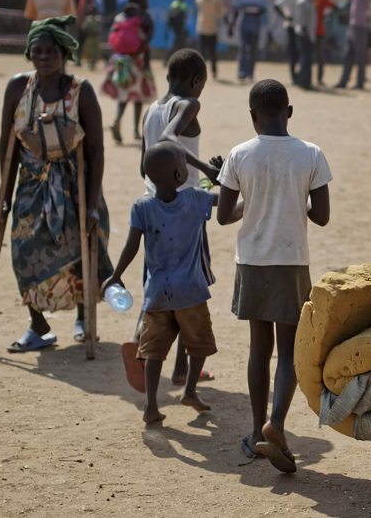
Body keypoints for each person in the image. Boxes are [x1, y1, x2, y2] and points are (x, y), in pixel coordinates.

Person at [216, 79, 332, 473]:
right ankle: (276, 423)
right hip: (291, 261)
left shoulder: (239, 155)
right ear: (290, 112)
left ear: (252, 116)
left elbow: (224, 215)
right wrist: (291, 194)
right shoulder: (311, 154)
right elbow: (321, 216)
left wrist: (254, 195)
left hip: (251, 261)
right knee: (288, 350)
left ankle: (255, 431)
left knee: (258, 349)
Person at [1, 16, 112, 351]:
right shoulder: (18, 88)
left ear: (64, 53)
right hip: (31, 186)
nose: (44, 56)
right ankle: (38, 326)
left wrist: (91, 204)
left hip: (74, 186)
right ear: (29, 54)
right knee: (24, 254)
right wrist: (4, 199)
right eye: (38, 51)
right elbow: (6, 146)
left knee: (80, 253)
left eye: (51, 51)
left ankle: (83, 316)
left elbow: (95, 150)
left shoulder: (81, 91)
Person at [103, 142, 221, 425]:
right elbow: (222, 199)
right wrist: (225, 174)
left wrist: (116, 274)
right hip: (191, 292)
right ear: (180, 176)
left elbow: (132, 246)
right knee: (199, 345)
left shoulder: (142, 206)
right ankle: (190, 390)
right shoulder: (194, 199)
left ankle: (151, 405)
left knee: (153, 352)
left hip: (157, 294)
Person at [128, 48, 223, 387]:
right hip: (184, 207)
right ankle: (182, 367)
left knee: (161, 280)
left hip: (153, 202)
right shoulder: (188, 104)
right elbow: (170, 138)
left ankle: (151, 349)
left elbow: (145, 164)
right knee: (191, 286)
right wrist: (204, 169)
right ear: (196, 80)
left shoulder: (150, 110)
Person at [102, 0, 156, 143]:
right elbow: (148, 39)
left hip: (121, 62)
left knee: (123, 95)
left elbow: (112, 39)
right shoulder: (143, 17)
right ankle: (136, 131)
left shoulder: (120, 17)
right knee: (138, 96)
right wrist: (139, 56)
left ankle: (117, 120)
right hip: (138, 61)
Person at [229, 0, 270, 83]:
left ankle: (250, 73)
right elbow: (235, 11)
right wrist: (232, 25)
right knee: (243, 48)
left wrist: (257, 12)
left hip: (256, 24)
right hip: (244, 23)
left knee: (253, 50)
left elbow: (264, 10)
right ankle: (242, 72)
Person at [335, 0, 371, 90]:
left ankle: (360, 83)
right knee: (348, 56)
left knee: (360, 58)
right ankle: (343, 81)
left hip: (361, 28)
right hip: (352, 28)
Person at [274, 0, 303, 83]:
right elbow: (276, 5)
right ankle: (294, 76)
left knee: (300, 52)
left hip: (300, 27)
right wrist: (286, 17)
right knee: (293, 52)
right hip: (292, 27)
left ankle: (299, 75)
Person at [195, 0, 223, 80]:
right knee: (202, 54)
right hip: (202, 29)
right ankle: (201, 74)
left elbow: (220, 12)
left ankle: (214, 73)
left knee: (213, 54)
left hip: (212, 30)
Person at [312, 0, 335, 86]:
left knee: (320, 57)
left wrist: (326, 16)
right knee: (307, 56)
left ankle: (319, 79)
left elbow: (334, 7)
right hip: (307, 31)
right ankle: (305, 78)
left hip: (319, 32)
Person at [75, 0, 104, 67]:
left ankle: (81, 61)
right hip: (88, 23)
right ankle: (89, 62)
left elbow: (88, 10)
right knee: (89, 44)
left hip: (87, 24)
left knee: (83, 43)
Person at [165, 0, 189, 65]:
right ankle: (169, 61)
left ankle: (167, 61)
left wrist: (167, 30)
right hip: (180, 28)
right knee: (179, 45)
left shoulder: (173, 4)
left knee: (176, 45)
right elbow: (185, 17)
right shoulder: (183, 4)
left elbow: (170, 17)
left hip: (174, 28)